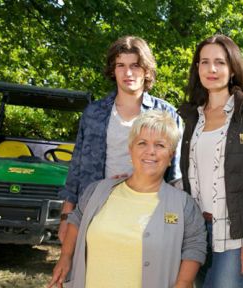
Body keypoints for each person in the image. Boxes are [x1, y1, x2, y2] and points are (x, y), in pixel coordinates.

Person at [48, 110, 206, 288]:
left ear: (170, 156)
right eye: (142, 143)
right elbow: (76, 219)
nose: (150, 151)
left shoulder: (184, 205)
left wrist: (183, 283)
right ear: (130, 150)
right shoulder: (98, 191)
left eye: (160, 145)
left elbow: (195, 246)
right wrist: (65, 256)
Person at [178, 34, 243, 287]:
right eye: (204, 62)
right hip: (194, 233)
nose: (211, 69)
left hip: (235, 236)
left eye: (220, 62)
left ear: (233, 68)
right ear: (197, 68)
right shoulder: (189, 117)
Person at [57, 36, 183, 243]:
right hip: (96, 211)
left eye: (135, 65)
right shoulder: (94, 113)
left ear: (146, 70)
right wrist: (66, 216)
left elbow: (176, 176)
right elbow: (76, 169)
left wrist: (175, 222)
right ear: (113, 70)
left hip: (147, 215)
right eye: (121, 66)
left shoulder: (167, 114)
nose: (128, 73)